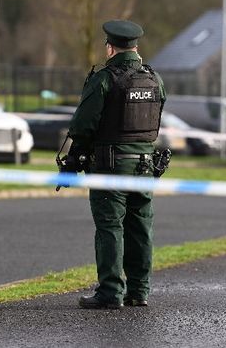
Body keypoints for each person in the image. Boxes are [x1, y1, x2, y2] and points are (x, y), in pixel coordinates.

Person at [65, 19, 166, 309]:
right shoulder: (154, 79)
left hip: (111, 168)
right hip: (146, 166)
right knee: (140, 227)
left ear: (110, 47)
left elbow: (83, 125)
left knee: (110, 227)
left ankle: (110, 292)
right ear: (135, 46)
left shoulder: (105, 79)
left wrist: (77, 155)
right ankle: (139, 291)